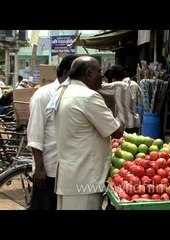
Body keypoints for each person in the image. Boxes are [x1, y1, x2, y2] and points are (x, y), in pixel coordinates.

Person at [52, 56, 124, 210]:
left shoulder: (62, 92)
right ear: (89, 74)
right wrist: (115, 114)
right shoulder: (88, 97)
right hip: (85, 178)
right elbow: (116, 132)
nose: (102, 77)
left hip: (69, 175)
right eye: (99, 72)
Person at [27, 54, 78, 210]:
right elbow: (35, 133)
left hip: (69, 169)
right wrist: (40, 168)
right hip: (49, 168)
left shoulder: (76, 95)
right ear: (64, 72)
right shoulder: (44, 95)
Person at [99, 64, 143, 134]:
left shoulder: (118, 85)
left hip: (124, 124)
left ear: (113, 78)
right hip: (135, 122)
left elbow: (100, 87)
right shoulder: (134, 84)